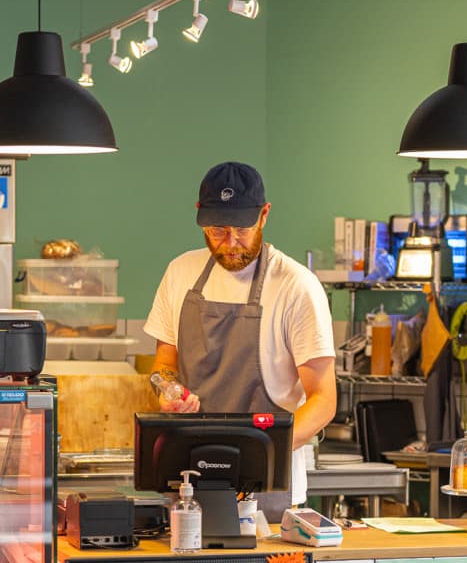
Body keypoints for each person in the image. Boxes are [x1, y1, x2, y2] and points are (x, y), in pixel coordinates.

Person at [143, 161, 337, 457]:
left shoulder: (296, 286)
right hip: (191, 465)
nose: (230, 243)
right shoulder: (180, 272)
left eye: (242, 229)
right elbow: (164, 364)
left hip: (270, 476)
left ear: (264, 215)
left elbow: (323, 399)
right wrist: (167, 394)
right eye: (217, 230)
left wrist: (263, 451)